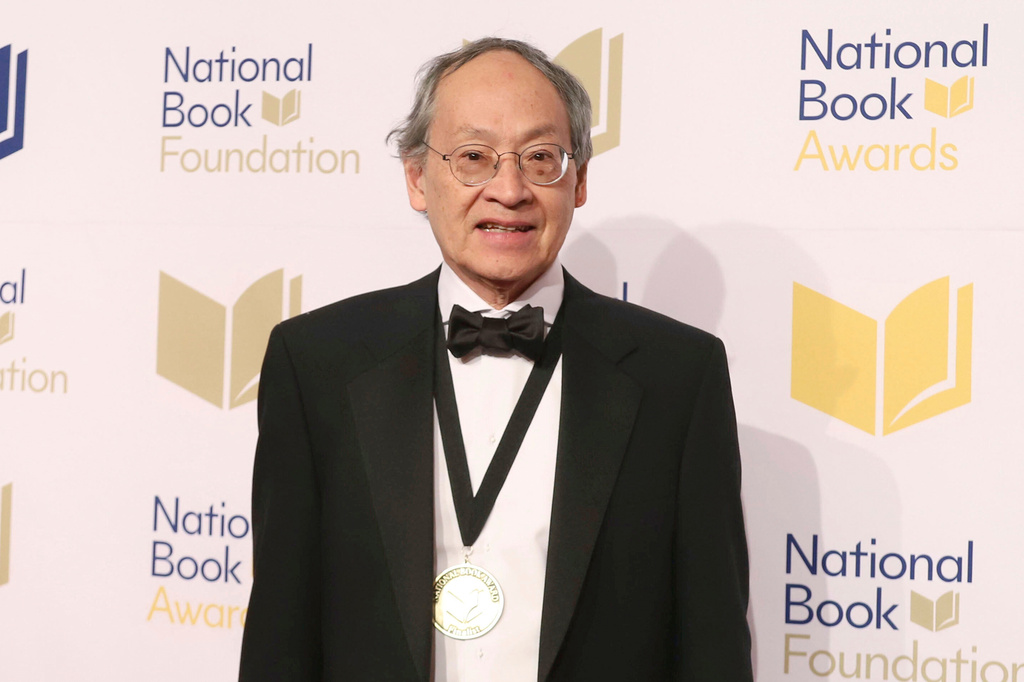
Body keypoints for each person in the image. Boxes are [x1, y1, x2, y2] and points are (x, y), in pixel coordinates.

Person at [239, 37, 752, 682]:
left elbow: (712, 645)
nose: (508, 191)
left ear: (579, 181)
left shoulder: (678, 376)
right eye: (474, 158)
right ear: (417, 178)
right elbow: (281, 636)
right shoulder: (317, 363)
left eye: (540, 158)